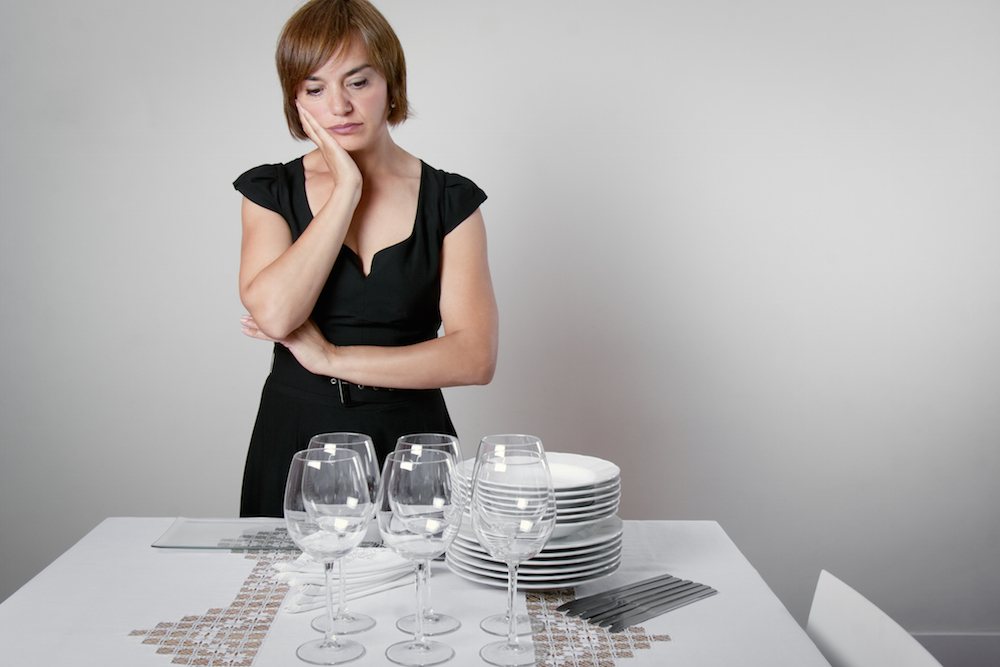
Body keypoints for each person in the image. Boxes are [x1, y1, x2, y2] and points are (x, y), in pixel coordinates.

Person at [234, 0, 498, 517]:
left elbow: (475, 357)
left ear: (391, 83)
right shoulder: (271, 191)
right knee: (291, 571)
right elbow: (277, 315)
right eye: (315, 89)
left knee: (422, 572)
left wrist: (331, 359)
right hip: (298, 440)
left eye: (358, 82)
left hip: (414, 448)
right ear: (295, 99)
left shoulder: (450, 200)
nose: (339, 106)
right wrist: (346, 191)